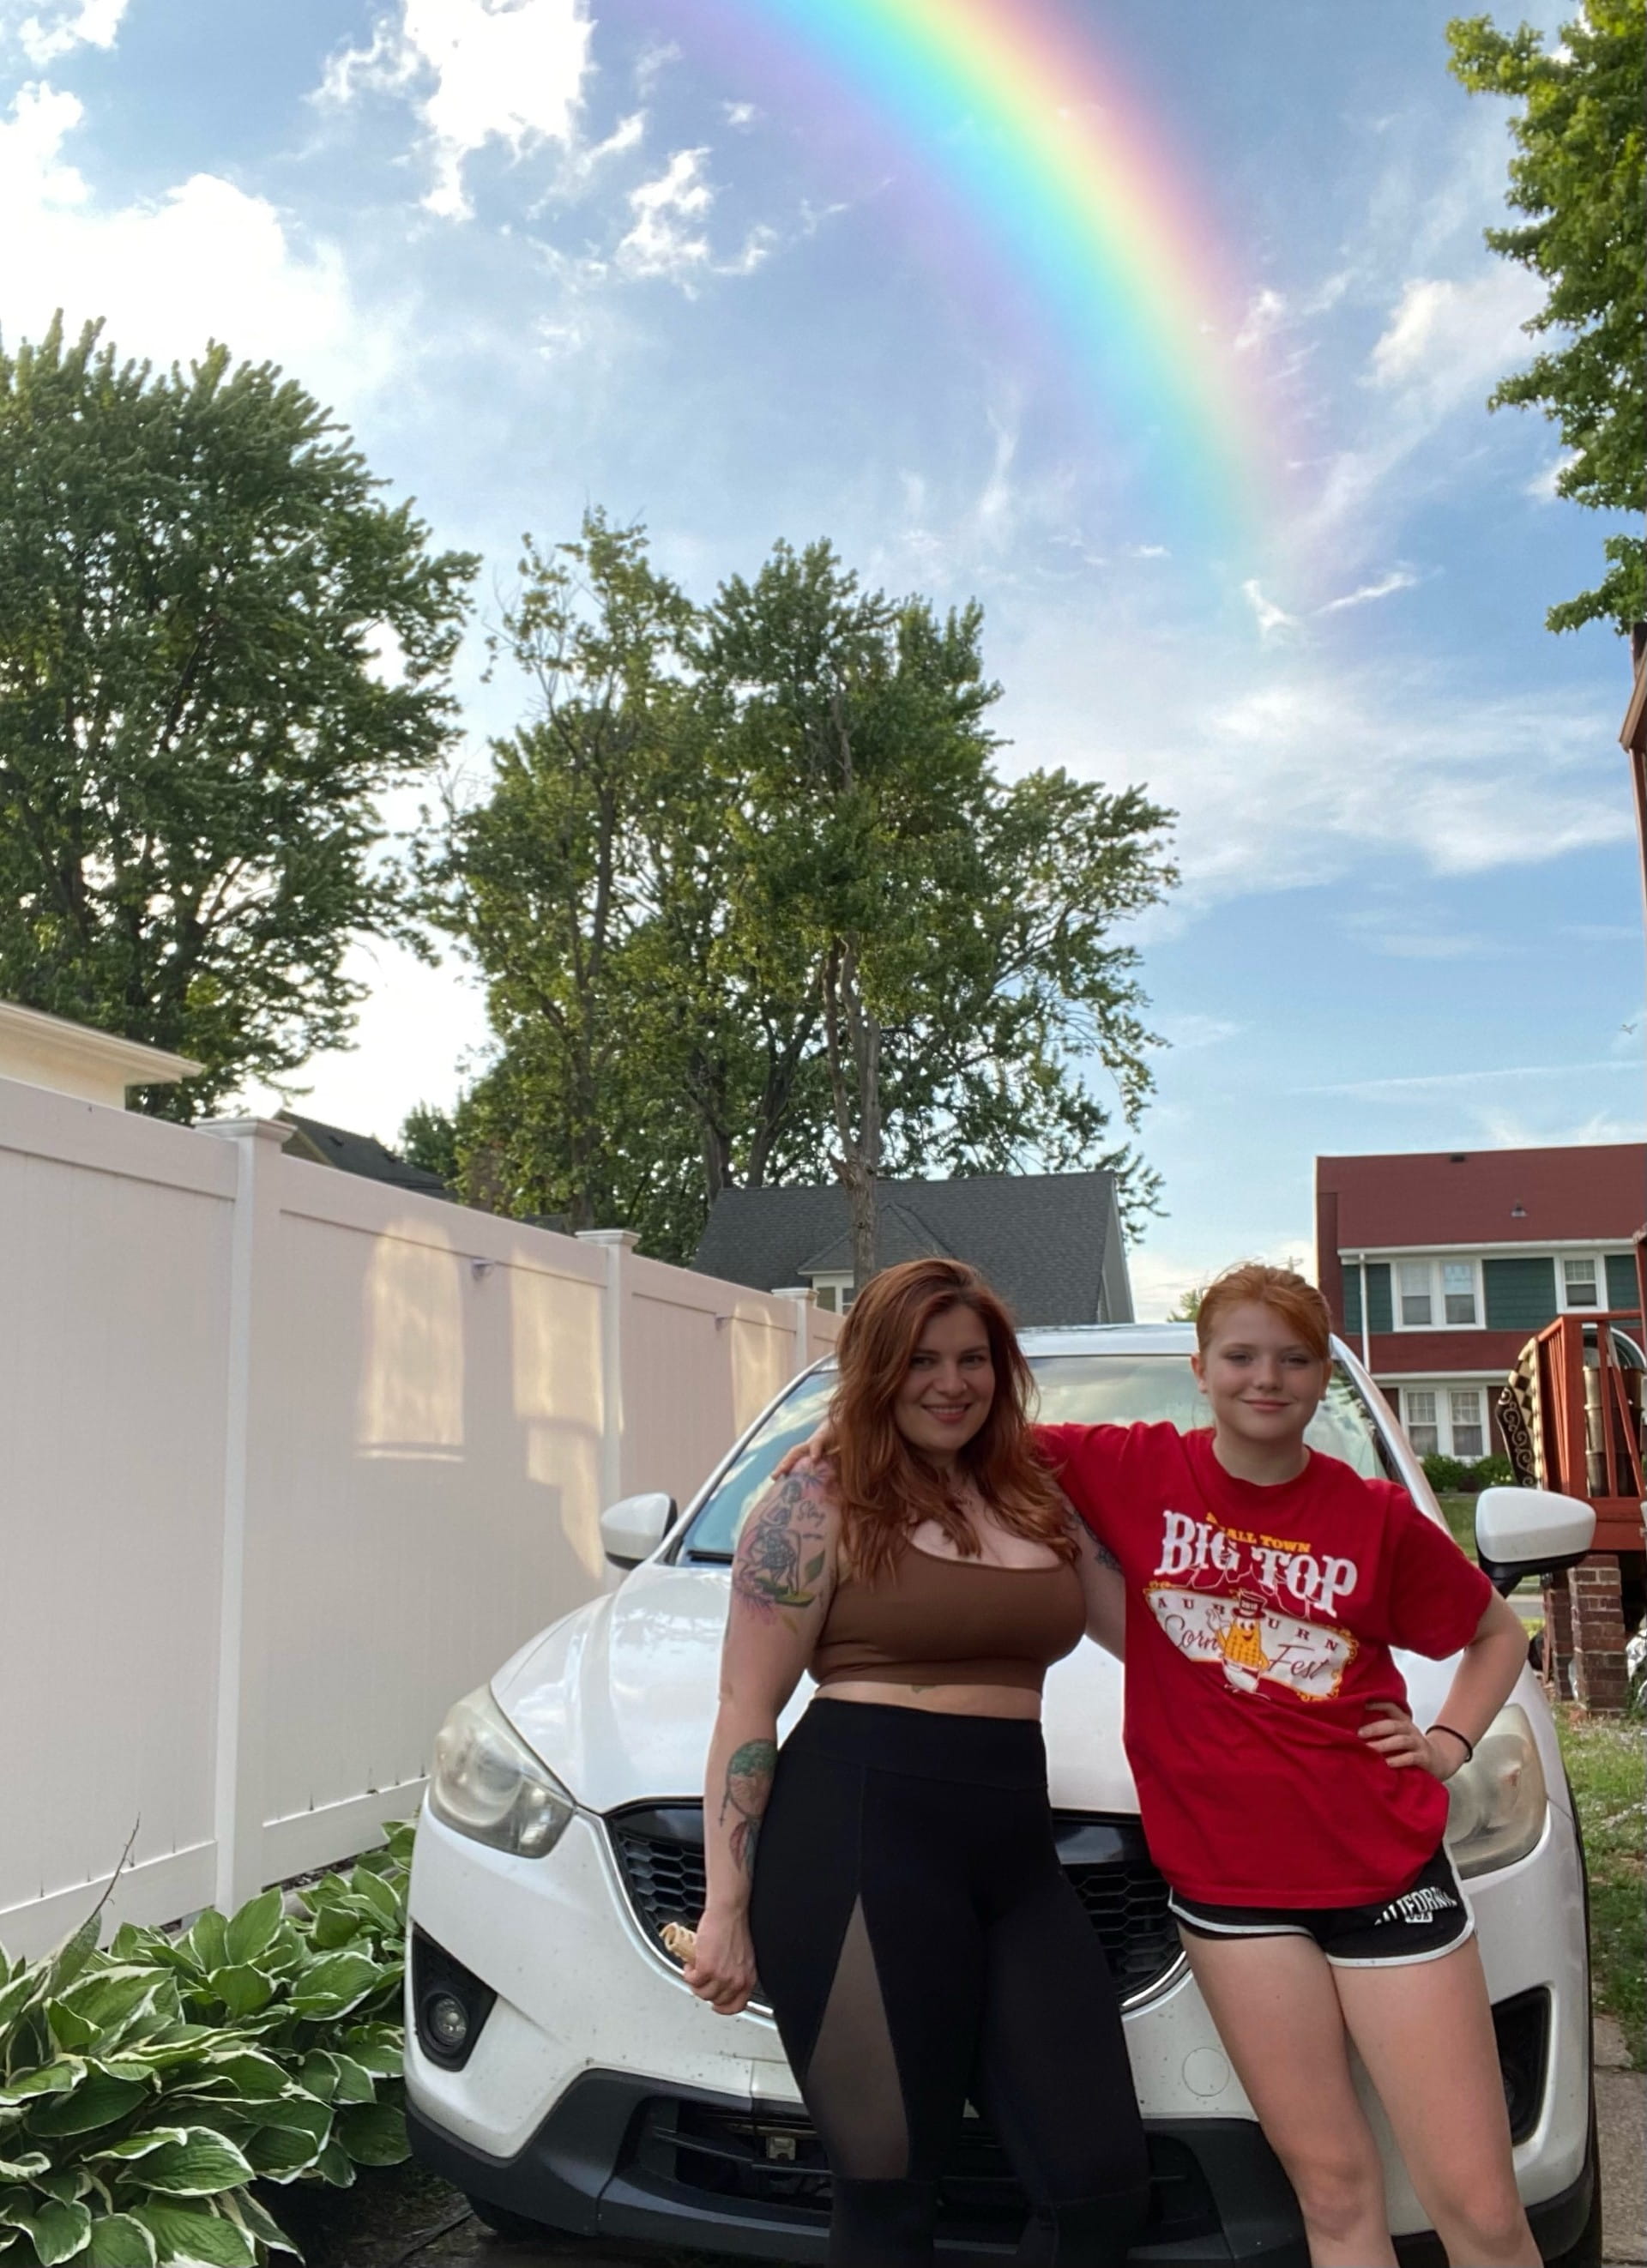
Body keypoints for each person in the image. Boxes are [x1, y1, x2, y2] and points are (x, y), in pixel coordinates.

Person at [786, 1259, 1538, 2268]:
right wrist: (836, 1436)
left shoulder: (1378, 1516)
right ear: (1202, 1368)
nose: (1265, 1379)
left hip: (1384, 1874)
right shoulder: (1133, 1466)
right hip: (1228, 1893)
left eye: (1293, 1359)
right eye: (1240, 1355)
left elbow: (1496, 1635)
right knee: (1332, 2190)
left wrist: (1446, 1745)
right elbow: (960, 1427)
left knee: (1481, 2208)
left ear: (1324, 1376)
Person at [684, 1257, 1151, 2268]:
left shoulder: (1033, 1496)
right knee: (889, 2201)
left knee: (1099, 2188)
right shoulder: (817, 1496)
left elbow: (1157, 1636)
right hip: (856, 1852)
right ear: (878, 1370)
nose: (951, 1382)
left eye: (972, 1358)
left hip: (1016, 1867)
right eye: (921, 1360)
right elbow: (745, 1706)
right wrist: (726, 1907)